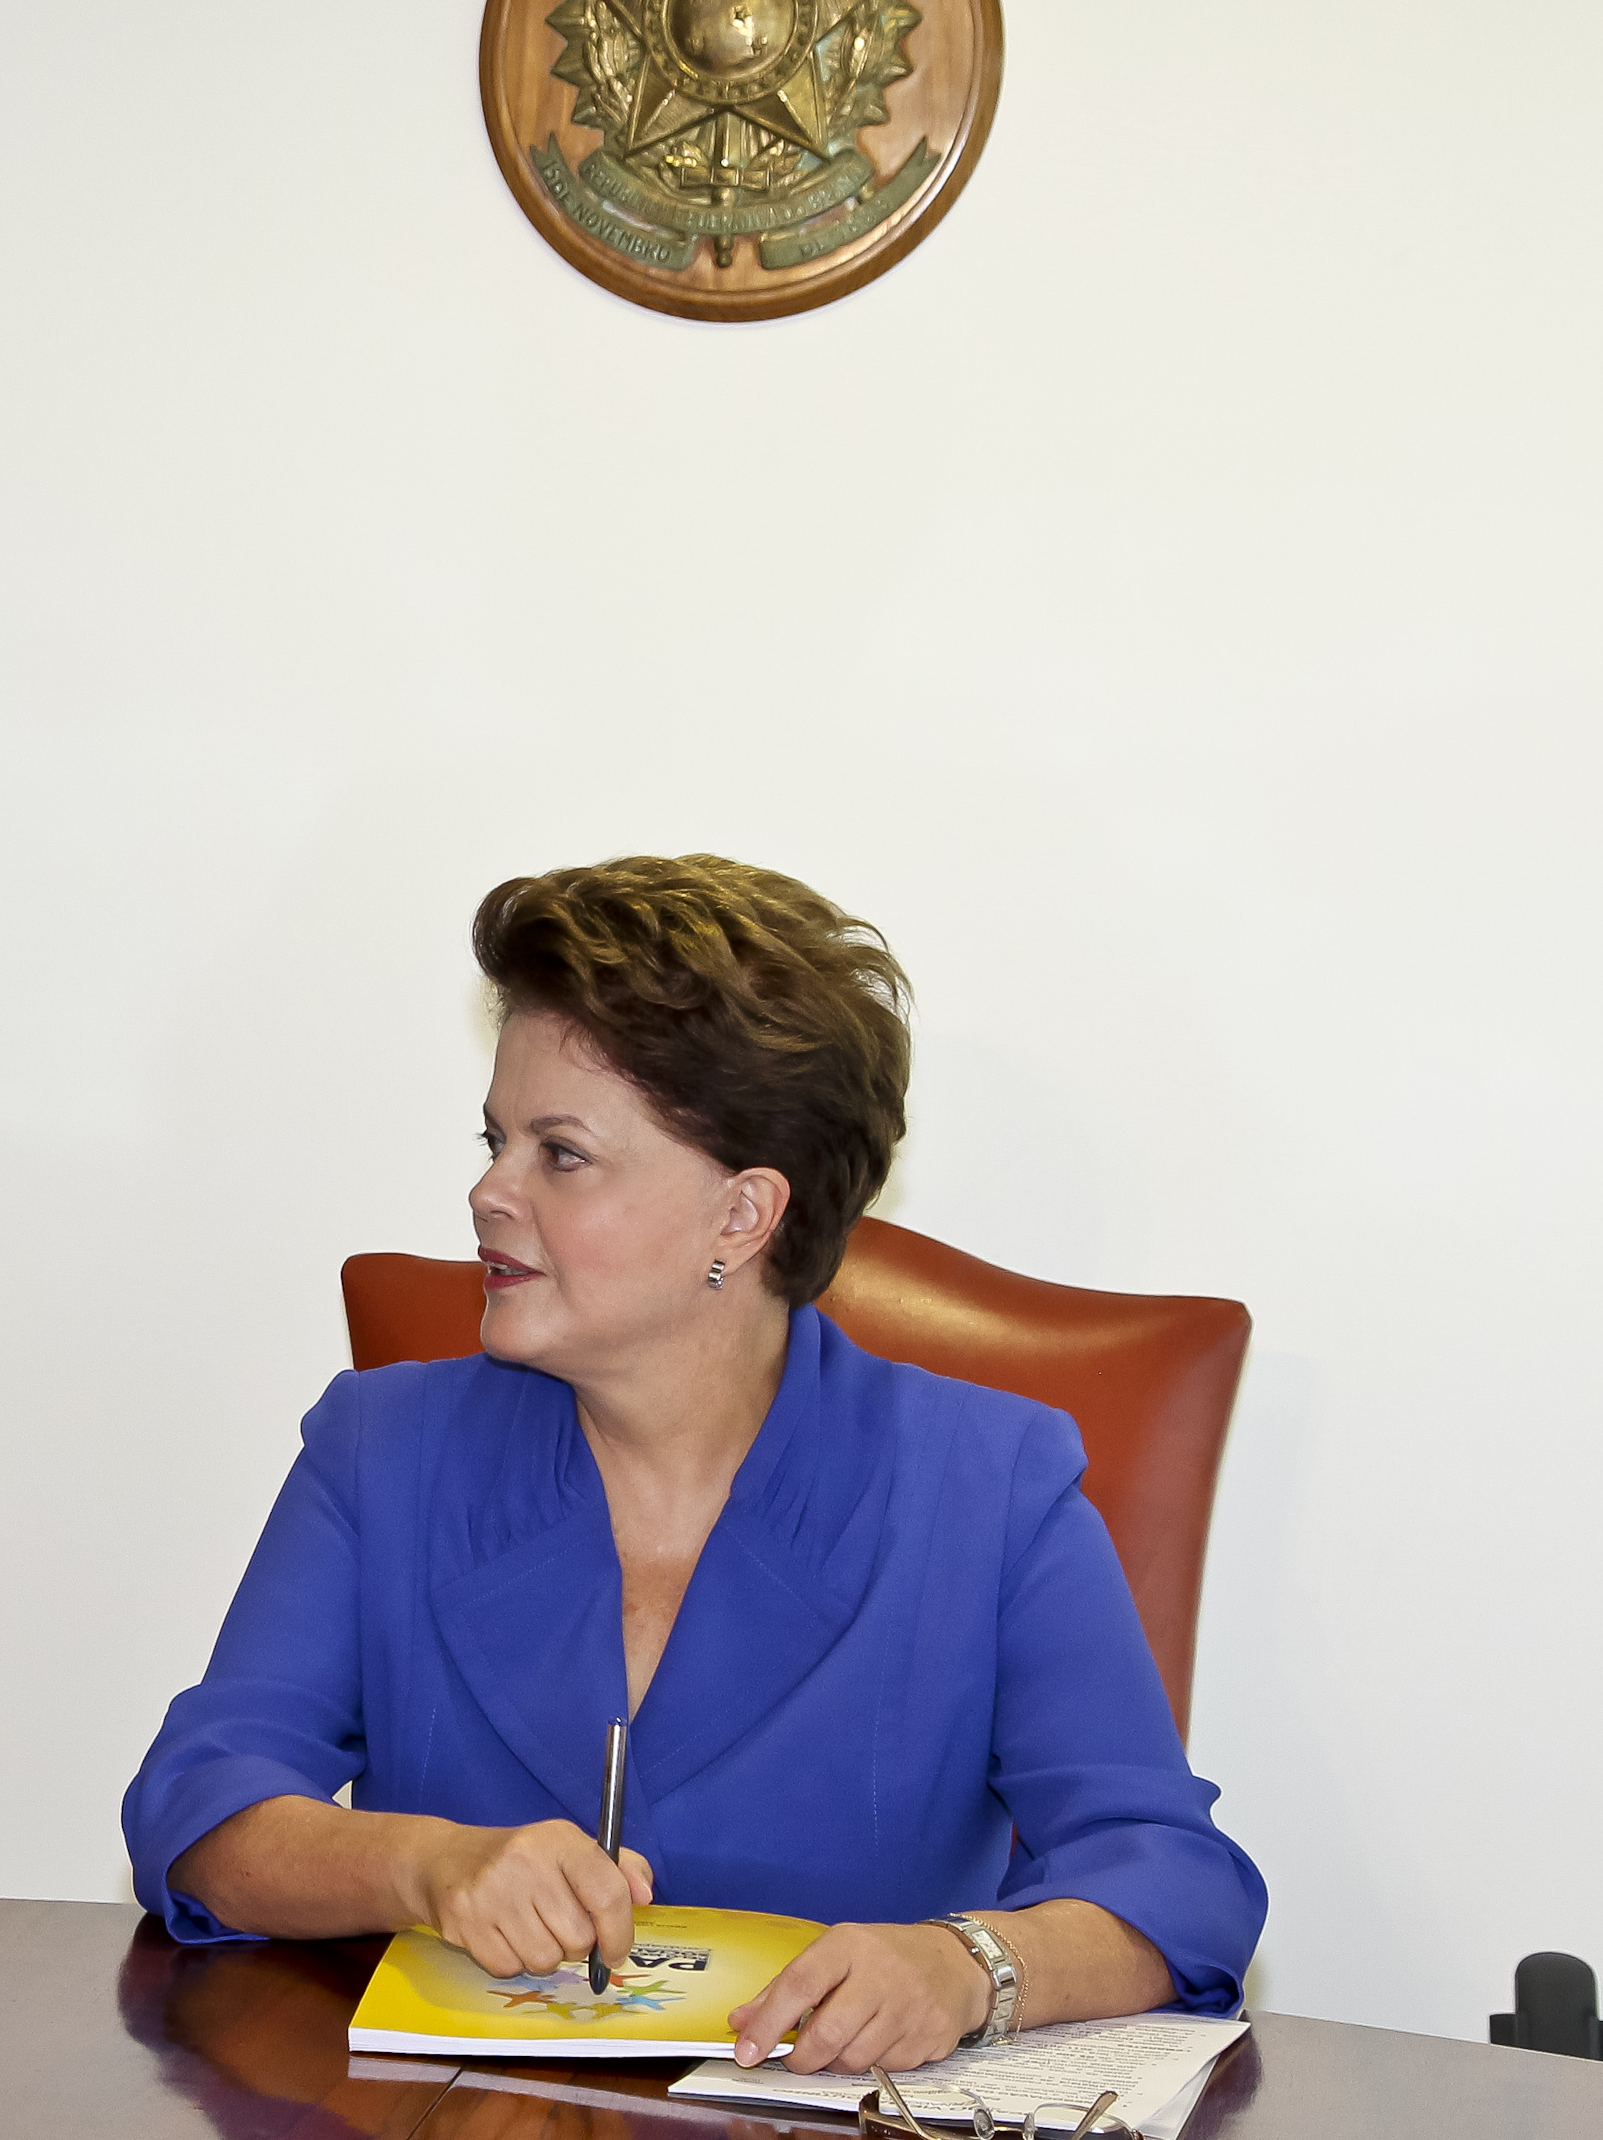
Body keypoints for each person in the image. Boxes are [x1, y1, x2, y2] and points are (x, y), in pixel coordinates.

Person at [121, 856, 1262, 2075]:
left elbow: (1173, 1876)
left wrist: (969, 1966)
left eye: (560, 1154)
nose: (487, 1190)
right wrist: (422, 1862)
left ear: (742, 1215)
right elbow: (200, 1805)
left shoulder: (989, 1486)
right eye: (496, 1138)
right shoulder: (382, 1448)